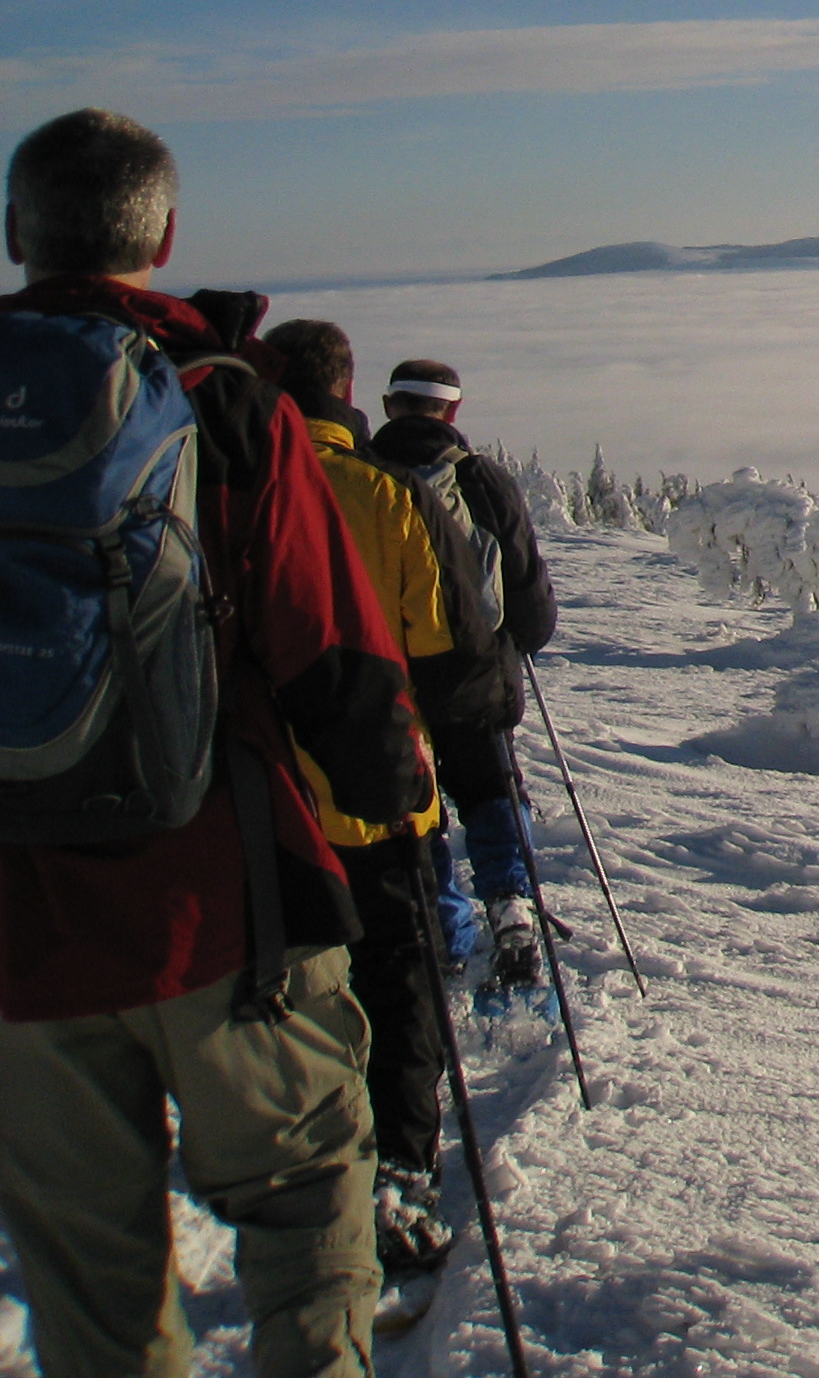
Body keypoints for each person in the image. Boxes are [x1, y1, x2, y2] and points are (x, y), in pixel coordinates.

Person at [0, 110, 431, 1378]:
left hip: (19, 947)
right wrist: (399, 811)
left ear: (18, 233)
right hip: (219, 907)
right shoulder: (220, 403)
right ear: (167, 235)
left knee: (90, 1280)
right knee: (305, 1208)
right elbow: (335, 656)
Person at [257, 320, 472, 1280]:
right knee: (400, 972)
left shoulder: (229, 484)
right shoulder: (387, 495)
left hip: (263, 795)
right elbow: (434, 640)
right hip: (384, 788)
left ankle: (299, 1168)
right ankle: (401, 1166)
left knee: (291, 982)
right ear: (349, 391)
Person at [368, 360, 557, 1007]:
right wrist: (514, 645)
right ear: (452, 412)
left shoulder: (363, 478)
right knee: (490, 787)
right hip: (475, 674)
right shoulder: (480, 480)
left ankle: (442, 928)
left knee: (416, 803)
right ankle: (511, 907)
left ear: (391, 406)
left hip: (390, 678)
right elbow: (529, 594)